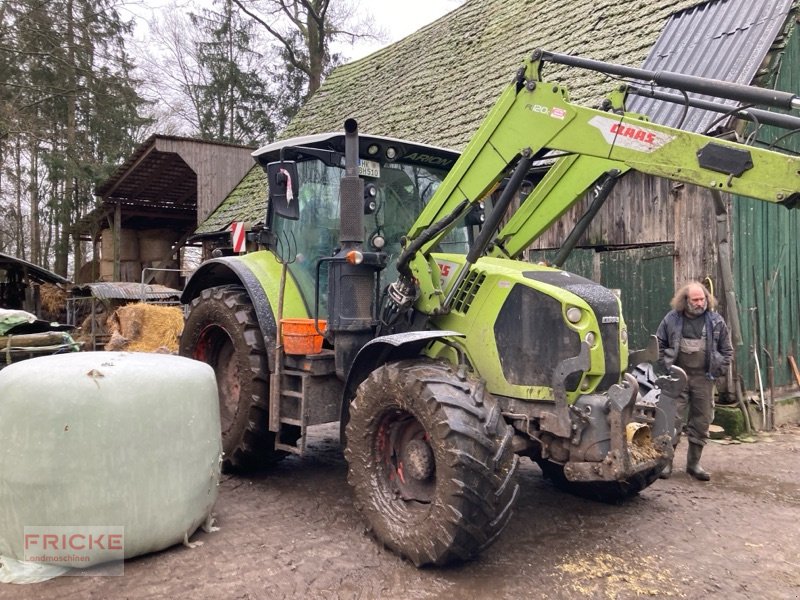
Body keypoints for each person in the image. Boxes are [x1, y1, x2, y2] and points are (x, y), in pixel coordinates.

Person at [656, 281, 733, 481]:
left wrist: (718, 370)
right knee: (671, 420)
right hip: (677, 378)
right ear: (685, 301)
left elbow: (727, 351)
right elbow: (659, 344)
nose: (700, 303)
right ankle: (665, 464)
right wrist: (666, 367)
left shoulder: (716, 321)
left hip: (704, 379)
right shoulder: (671, 319)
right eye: (695, 300)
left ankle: (693, 464)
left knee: (702, 420)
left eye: (702, 299)